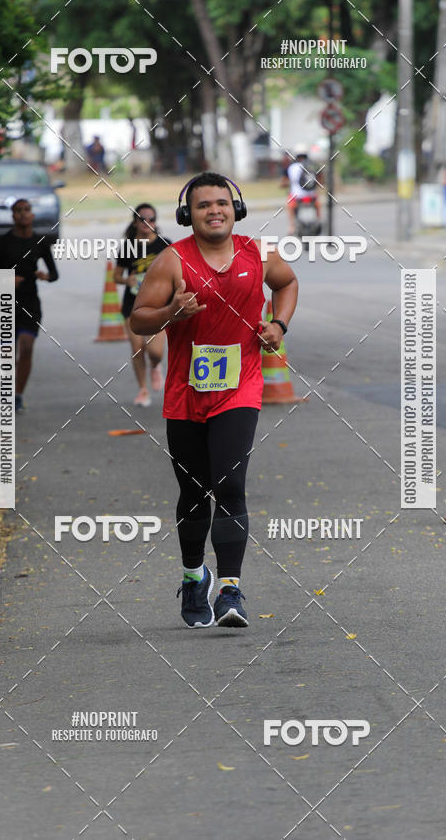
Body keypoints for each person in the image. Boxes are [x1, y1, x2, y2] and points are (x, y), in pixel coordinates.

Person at [130, 172, 298, 628]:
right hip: (186, 394)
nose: (214, 211)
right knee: (193, 491)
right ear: (189, 214)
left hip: (240, 388)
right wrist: (171, 313)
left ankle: (230, 590)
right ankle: (191, 576)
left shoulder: (258, 253)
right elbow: (139, 320)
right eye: (204, 205)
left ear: (235, 208)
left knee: (229, 484)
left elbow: (287, 283)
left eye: (222, 203)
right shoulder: (172, 261)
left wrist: (278, 326)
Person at [0, 198, 58, 411]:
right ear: (13, 216)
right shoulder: (4, 242)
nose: (23, 214)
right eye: (18, 211)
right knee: (8, 352)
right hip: (6, 301)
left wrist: (45, 275)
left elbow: (55, 274)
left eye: (26, 210)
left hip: (30, 301)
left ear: (32, 214)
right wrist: (8, 280)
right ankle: (6, 391)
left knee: (26, 347)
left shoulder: (40, 241)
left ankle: (18, 395)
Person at [114, 203, 171, 407]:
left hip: (160, 305)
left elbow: (176, 271)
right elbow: (117, 276)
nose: (148, 223)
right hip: (133, 304)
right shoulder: (128, 246)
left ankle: (155, 366)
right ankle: (143, 390)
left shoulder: (165, 244)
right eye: (143, 219)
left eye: (152, 219)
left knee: (155, 351)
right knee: (137, 348)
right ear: (136, 221)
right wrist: (126, 281)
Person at [286, 145, 317, 234]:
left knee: (290, 206)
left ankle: (291, 226)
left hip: (296, 196)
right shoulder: (311, 166)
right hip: (311, 195)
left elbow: (289, 180)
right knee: (318, 205)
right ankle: (318, 220)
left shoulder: (292, 167)